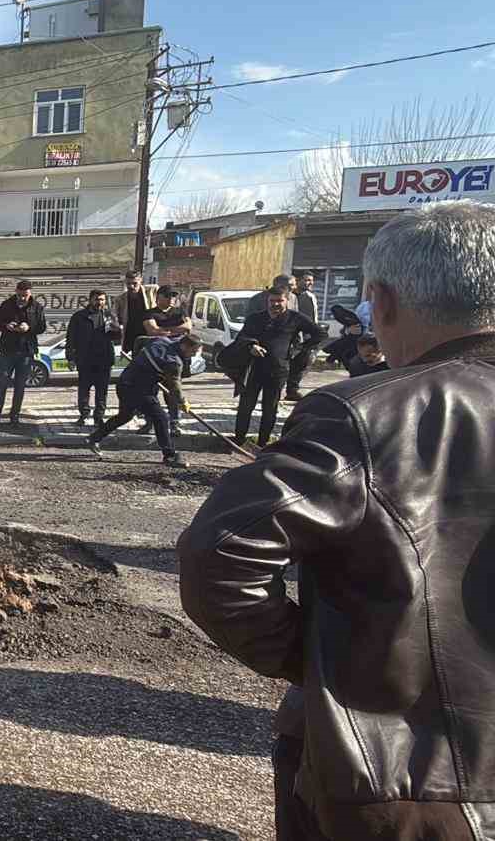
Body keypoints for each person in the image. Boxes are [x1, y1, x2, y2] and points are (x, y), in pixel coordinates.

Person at [177, 200, 495, 841]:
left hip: (401, 787)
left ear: (379, 301)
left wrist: (309, 658)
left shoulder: (368, 414)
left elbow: (221, 551)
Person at [86, 333, 201, 468]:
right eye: (192, 351)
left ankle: (94, 438)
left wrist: (139, 359)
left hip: (124, 383)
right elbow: (175, 385)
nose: (192, 355)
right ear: (184, 345)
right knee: (161, 418)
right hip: (138, 389)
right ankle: (169, 456)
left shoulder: (161, 340)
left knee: (125, 416)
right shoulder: (173, 361)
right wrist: (182, 401)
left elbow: (140, 340)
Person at [229, 288, 322, 449]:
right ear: (267, 301)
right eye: (272, 301)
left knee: (270, 408)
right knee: (245, 406)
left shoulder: (295, 318)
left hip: (277, 370)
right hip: (254, 369)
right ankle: (238, 440)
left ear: (287, 301)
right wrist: (251, 346)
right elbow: (241, 338)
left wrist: (298, 349)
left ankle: (263, 443)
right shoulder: (255, 318)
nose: (275, 304)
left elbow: (320, 334)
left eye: (279, 301)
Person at [0, 280, 46, 427]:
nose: (22, 298)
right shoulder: (7, 304)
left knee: (20, 386)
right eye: (19, 295)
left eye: (25, 295)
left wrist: (29, 327)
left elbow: (42, 327)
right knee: (2, 383)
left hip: (26, 352)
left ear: (30, 293)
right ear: (16, 292)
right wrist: (6, 325)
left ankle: (15, 416)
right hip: (8, 350)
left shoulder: (37, 307)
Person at [137, 286, 194, 434]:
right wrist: (175, 330)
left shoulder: (180, 312)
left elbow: (188, 327)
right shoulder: (150, 313)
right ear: (158, 297)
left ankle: (174, 423)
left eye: (173, 297)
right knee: (151, 393)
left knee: (173, 392)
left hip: (173, 360)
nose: (171, 299)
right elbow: (152, 331)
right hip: (155, 360)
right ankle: (149, 423)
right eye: (167, 296)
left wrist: (164, 332)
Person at [65, 289, 120, 427]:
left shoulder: (108, 316)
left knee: (102, 391)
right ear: (90, 300)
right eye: (96, 299)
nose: (99, 302)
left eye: (102, 299)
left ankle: (99, 417)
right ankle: (83, 415)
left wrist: (117, 330)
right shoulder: (79, 316)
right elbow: (70, 338)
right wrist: (70, 357)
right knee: (84, 389)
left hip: (104, 360)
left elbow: (116, 338)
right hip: (85, 359)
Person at [284, 271, 322, 400]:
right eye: (306, 280)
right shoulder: (290, 296)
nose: (309, 283)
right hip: (290, 335)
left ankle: (292, 390)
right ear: (298, 281)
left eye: (311, 280)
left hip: (306, 336)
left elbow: (314, 317)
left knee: (301, 364)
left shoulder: (310, 297)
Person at [112, 270, 156, 355]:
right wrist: (116, 325)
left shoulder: (151, 291)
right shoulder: (120, 299)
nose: (131, 286)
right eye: (128, 284)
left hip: (150, 334)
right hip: (133, 337)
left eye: (135, 283)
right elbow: (115, 317)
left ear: (141, 280)